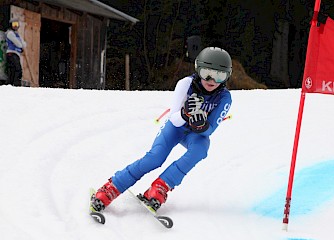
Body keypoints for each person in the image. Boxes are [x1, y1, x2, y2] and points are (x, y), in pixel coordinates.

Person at [91, 47, 233, 213]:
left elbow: (209, 131)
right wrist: (185, 113)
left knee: (201, 149)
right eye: (206, 73)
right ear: (197, 69)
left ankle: (160, 187)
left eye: (219, 75)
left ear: (226, 77)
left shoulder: (224, 98)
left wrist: (201, 125)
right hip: (176, 128)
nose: (212, 80)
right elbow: (174, 119)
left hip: (195, 133)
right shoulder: (185, 84)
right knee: (155, 158)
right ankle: (112, 187)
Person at [6, 18, 26, 86]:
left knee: (13, 69)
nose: (15, 26)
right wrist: (20, 45)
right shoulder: (10, 33)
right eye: (14, 24)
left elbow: (24, 44)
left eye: (16, 24)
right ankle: (16, 84)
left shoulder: (17, 34)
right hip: (11, 53)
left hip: (16, 54)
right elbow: (19, 44)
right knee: (17, 69)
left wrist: (21, 45)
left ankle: (11, 84)